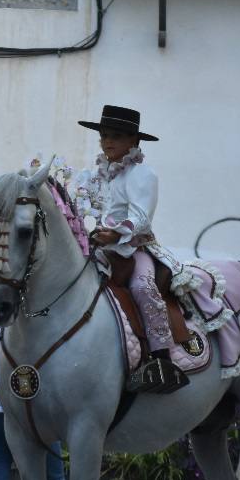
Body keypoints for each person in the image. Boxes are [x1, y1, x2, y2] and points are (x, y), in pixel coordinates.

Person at [75, 105, 188, 393]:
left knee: (142, 287)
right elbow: (82, 207)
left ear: (133, 142)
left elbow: (140, 216)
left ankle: (163, 360)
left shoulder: (142, 174)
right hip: (100, 249)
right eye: (104, 136)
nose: (108, 142)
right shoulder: (95, 176)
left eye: (116, 136)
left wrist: (116, 233)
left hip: (134, 250)